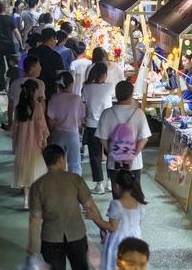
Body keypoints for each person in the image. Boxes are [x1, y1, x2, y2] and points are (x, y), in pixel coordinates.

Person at [28, 144, 105, 270]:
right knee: (80, 269)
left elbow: (35, 217)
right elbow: (90, 206)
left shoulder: (38, 186)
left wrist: (33, 244)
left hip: (51, 236)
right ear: (62, 159)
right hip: (76, 232)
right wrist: (101, 225)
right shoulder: (74, 179)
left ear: (46, 162)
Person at [95, 81, 151, 190]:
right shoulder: (139, 113)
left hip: (114, 164)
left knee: (117, 194)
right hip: (134, 164)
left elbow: (103, 139)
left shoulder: (107, 113)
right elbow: (144, 138)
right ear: (131, 95)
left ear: (116, 94)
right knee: (135, 194)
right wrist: (132, 156)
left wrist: (113, 154)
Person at [98, 170, 146, 270]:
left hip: (119, 243)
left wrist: (95, 218)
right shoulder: (139, 203)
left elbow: (112, 227)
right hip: (136, 241)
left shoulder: (116, 204)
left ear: (116, 186)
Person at [13, 79, 49, 210]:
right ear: (34, 92)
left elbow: (15, 128)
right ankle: (36, 200)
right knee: (36, 172)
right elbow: (41, 127)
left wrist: (15, 143)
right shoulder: (38, 107)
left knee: (25, 172)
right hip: (34, 144)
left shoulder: (19, 108)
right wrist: (44, 140)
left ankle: (26, 200)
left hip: (22, 144)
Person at [81, 63, 114, 193]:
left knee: (95, 156)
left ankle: (99, 185)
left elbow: (84, 106)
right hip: (108, 124)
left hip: (91, 125)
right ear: (104, 74)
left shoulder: (86, 87)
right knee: (110, 154)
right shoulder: (109, 87)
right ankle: (110, 182)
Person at [46, 72, 85, 176]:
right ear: (71, 84)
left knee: (56, 162)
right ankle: (75, 183)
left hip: (57, 133)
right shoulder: (76, 98)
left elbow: (50, 120)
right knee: (75, 163)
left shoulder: (54, 98)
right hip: (73, 133)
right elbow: (81, 120)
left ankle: (57, 182)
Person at [0, 1, 23, 94]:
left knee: (0, 66)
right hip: (9, 45)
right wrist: (21, 44)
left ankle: (1, 86)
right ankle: (11, 84)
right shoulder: (10, 19)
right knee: (12, 65)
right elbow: (17, 33)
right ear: (6, 8)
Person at [31, 28, 64, 100]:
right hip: (49, 88)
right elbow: (60, 74)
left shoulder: (32, 52)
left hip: (32, 86)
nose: (55, 42)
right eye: (55, 39)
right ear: (52, 38)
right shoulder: (55, 56)